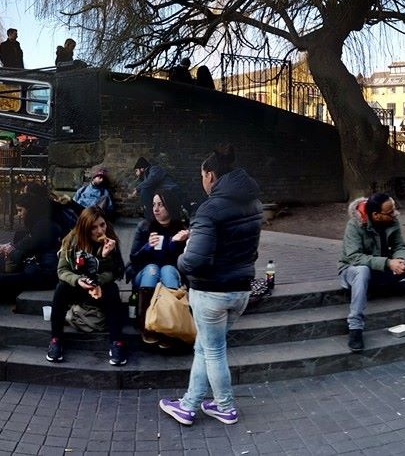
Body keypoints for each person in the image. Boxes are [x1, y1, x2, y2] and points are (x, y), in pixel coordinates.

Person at [159, 144, 261, 427]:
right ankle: (189, 405)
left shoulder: (209, 209)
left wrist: (180, 257)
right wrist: (198, 234)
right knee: (206, 347)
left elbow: (195, 261)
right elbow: (239, 242)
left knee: (213, 351)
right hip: (241, 289)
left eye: (202, 176)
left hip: (212, 292)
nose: (202, 181)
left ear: (211, 175)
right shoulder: (253, 203)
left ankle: (225, 407)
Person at [338, 193, 405, 352]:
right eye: (390, 212)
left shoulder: (392, 221)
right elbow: (354, 257)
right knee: (362, 270)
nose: (395, 214)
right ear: (376, 215)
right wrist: (387, 263)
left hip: (382, 271)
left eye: (394, 209)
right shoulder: (354, 225)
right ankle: (355, 328)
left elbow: (399, 246)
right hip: (353, 272)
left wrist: (400, 260)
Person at [45, 206, 129, 366]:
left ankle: (117, 342)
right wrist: (78, 280)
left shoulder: (110, 240)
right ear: (85, 228)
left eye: (102, 225)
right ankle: (56, 339)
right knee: (61, 288)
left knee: (113, 290)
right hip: (78, 286)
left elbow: (115, 272)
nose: (100, 231)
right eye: (94, 227)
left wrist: (104, 260)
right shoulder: (72, 240)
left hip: (99, 287)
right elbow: (62, 270)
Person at [0, 185, 74, 303]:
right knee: (1, 263)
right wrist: (10, 249)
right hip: (37, 268)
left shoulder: (43, 226)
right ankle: (8, 293)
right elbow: (25, 246)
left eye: (20, 210)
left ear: (30, 210)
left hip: (45, 274)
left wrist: (10, 251)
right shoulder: (39, 223)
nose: (18, 214)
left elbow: (24, 253)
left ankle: (10, 294)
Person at [129, 188, 190, 334]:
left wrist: (175, 242)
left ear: (170, 206)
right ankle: (147, 324)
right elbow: (133, 259)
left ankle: (169, 326)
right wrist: (147, 247)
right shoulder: (145, 227)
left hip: (170, 275)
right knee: (152, 269)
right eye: (154, 204)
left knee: (167, 270)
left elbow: (181, 264)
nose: (155, 209)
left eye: (160, 205)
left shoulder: (181, 230)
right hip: (144, 274)